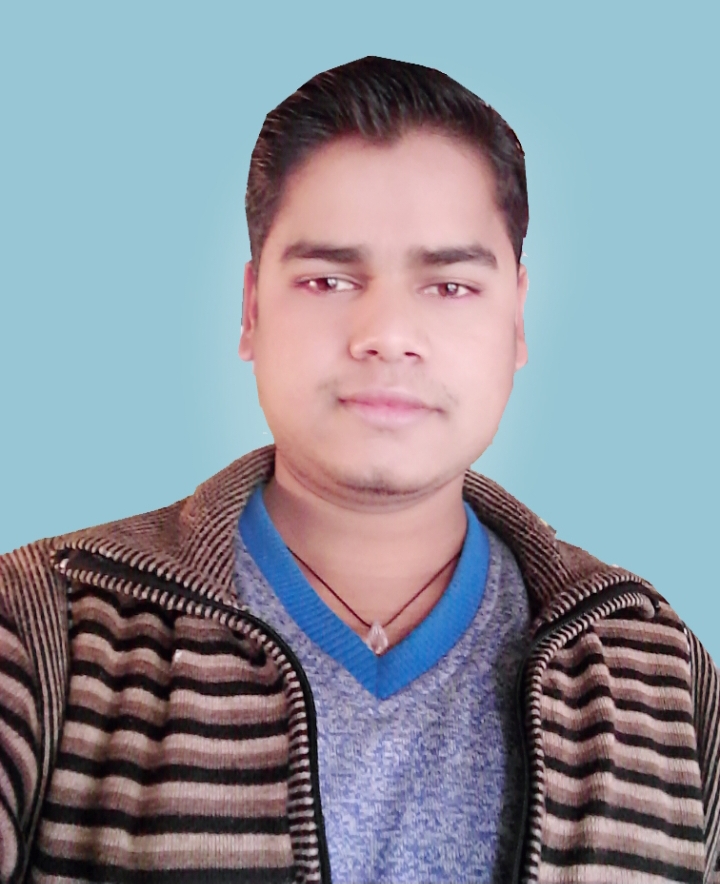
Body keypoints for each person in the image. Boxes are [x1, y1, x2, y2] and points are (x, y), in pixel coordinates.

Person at [0, 56, 718, 884]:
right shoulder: (47, 633)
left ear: (517, 319)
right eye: (328, 279)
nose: (386, 334)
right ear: (252, 309)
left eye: (449, 287)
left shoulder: (658, 675)